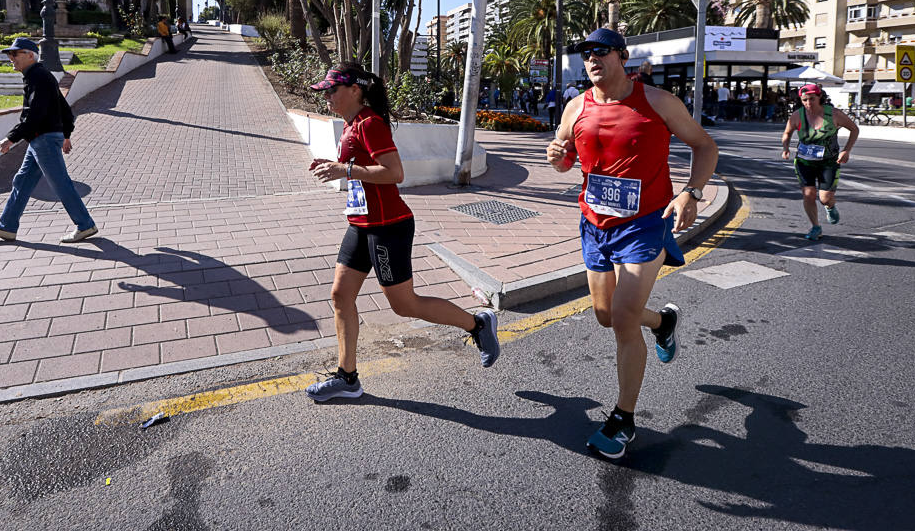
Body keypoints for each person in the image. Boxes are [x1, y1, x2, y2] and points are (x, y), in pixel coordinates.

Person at [546, 28, 718, 460]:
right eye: (586, 53)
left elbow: (704, 145)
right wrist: (559, 159)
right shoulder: (575, 107)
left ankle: (623, 419)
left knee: (622, 315)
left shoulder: (658, 102)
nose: (592, 58)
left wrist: (691, 192)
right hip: (594, 224)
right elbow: (567, 158)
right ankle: (662, 323)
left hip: (644, 224)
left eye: (601, 51)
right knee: (605, 316)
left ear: (622, 57)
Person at [305, 62, 501, 401]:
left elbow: (394, 172)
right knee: (340, 296)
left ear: (356, 90)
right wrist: (337, 166)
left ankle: (478, 324)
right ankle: (347, 377)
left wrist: (345, 168)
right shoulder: (353, 124)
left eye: (331, 90)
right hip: (361, 225)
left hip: (388, 228)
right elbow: (363, 169)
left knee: (405, 305)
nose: (326, 96)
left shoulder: (370, 123)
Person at [0, 37, 98, 244]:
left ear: (30, 55)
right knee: (22, 181)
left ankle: (85, 225)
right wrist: (66, 134)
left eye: (15, 53)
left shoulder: (38, 77)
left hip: (43, 139)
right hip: (39, 139)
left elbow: (35, 114)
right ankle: (7, 227)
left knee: (60, 183)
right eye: (9, 54)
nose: (11, 58)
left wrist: (11, 137)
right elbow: (64, 109)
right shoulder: (39, 76)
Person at [781, 83, 859, 241]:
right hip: (804, 161)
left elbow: (854, 129)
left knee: (824, 198)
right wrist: (786, 148)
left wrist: (846, 150)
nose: (808, 103)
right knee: (808, 195)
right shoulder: (797, 115)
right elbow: (787, 132)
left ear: (820, 97)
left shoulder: (834, 114)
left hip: (828, 162)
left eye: (812, 99)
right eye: (804, 100)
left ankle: (830, 206)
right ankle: (816, 227)